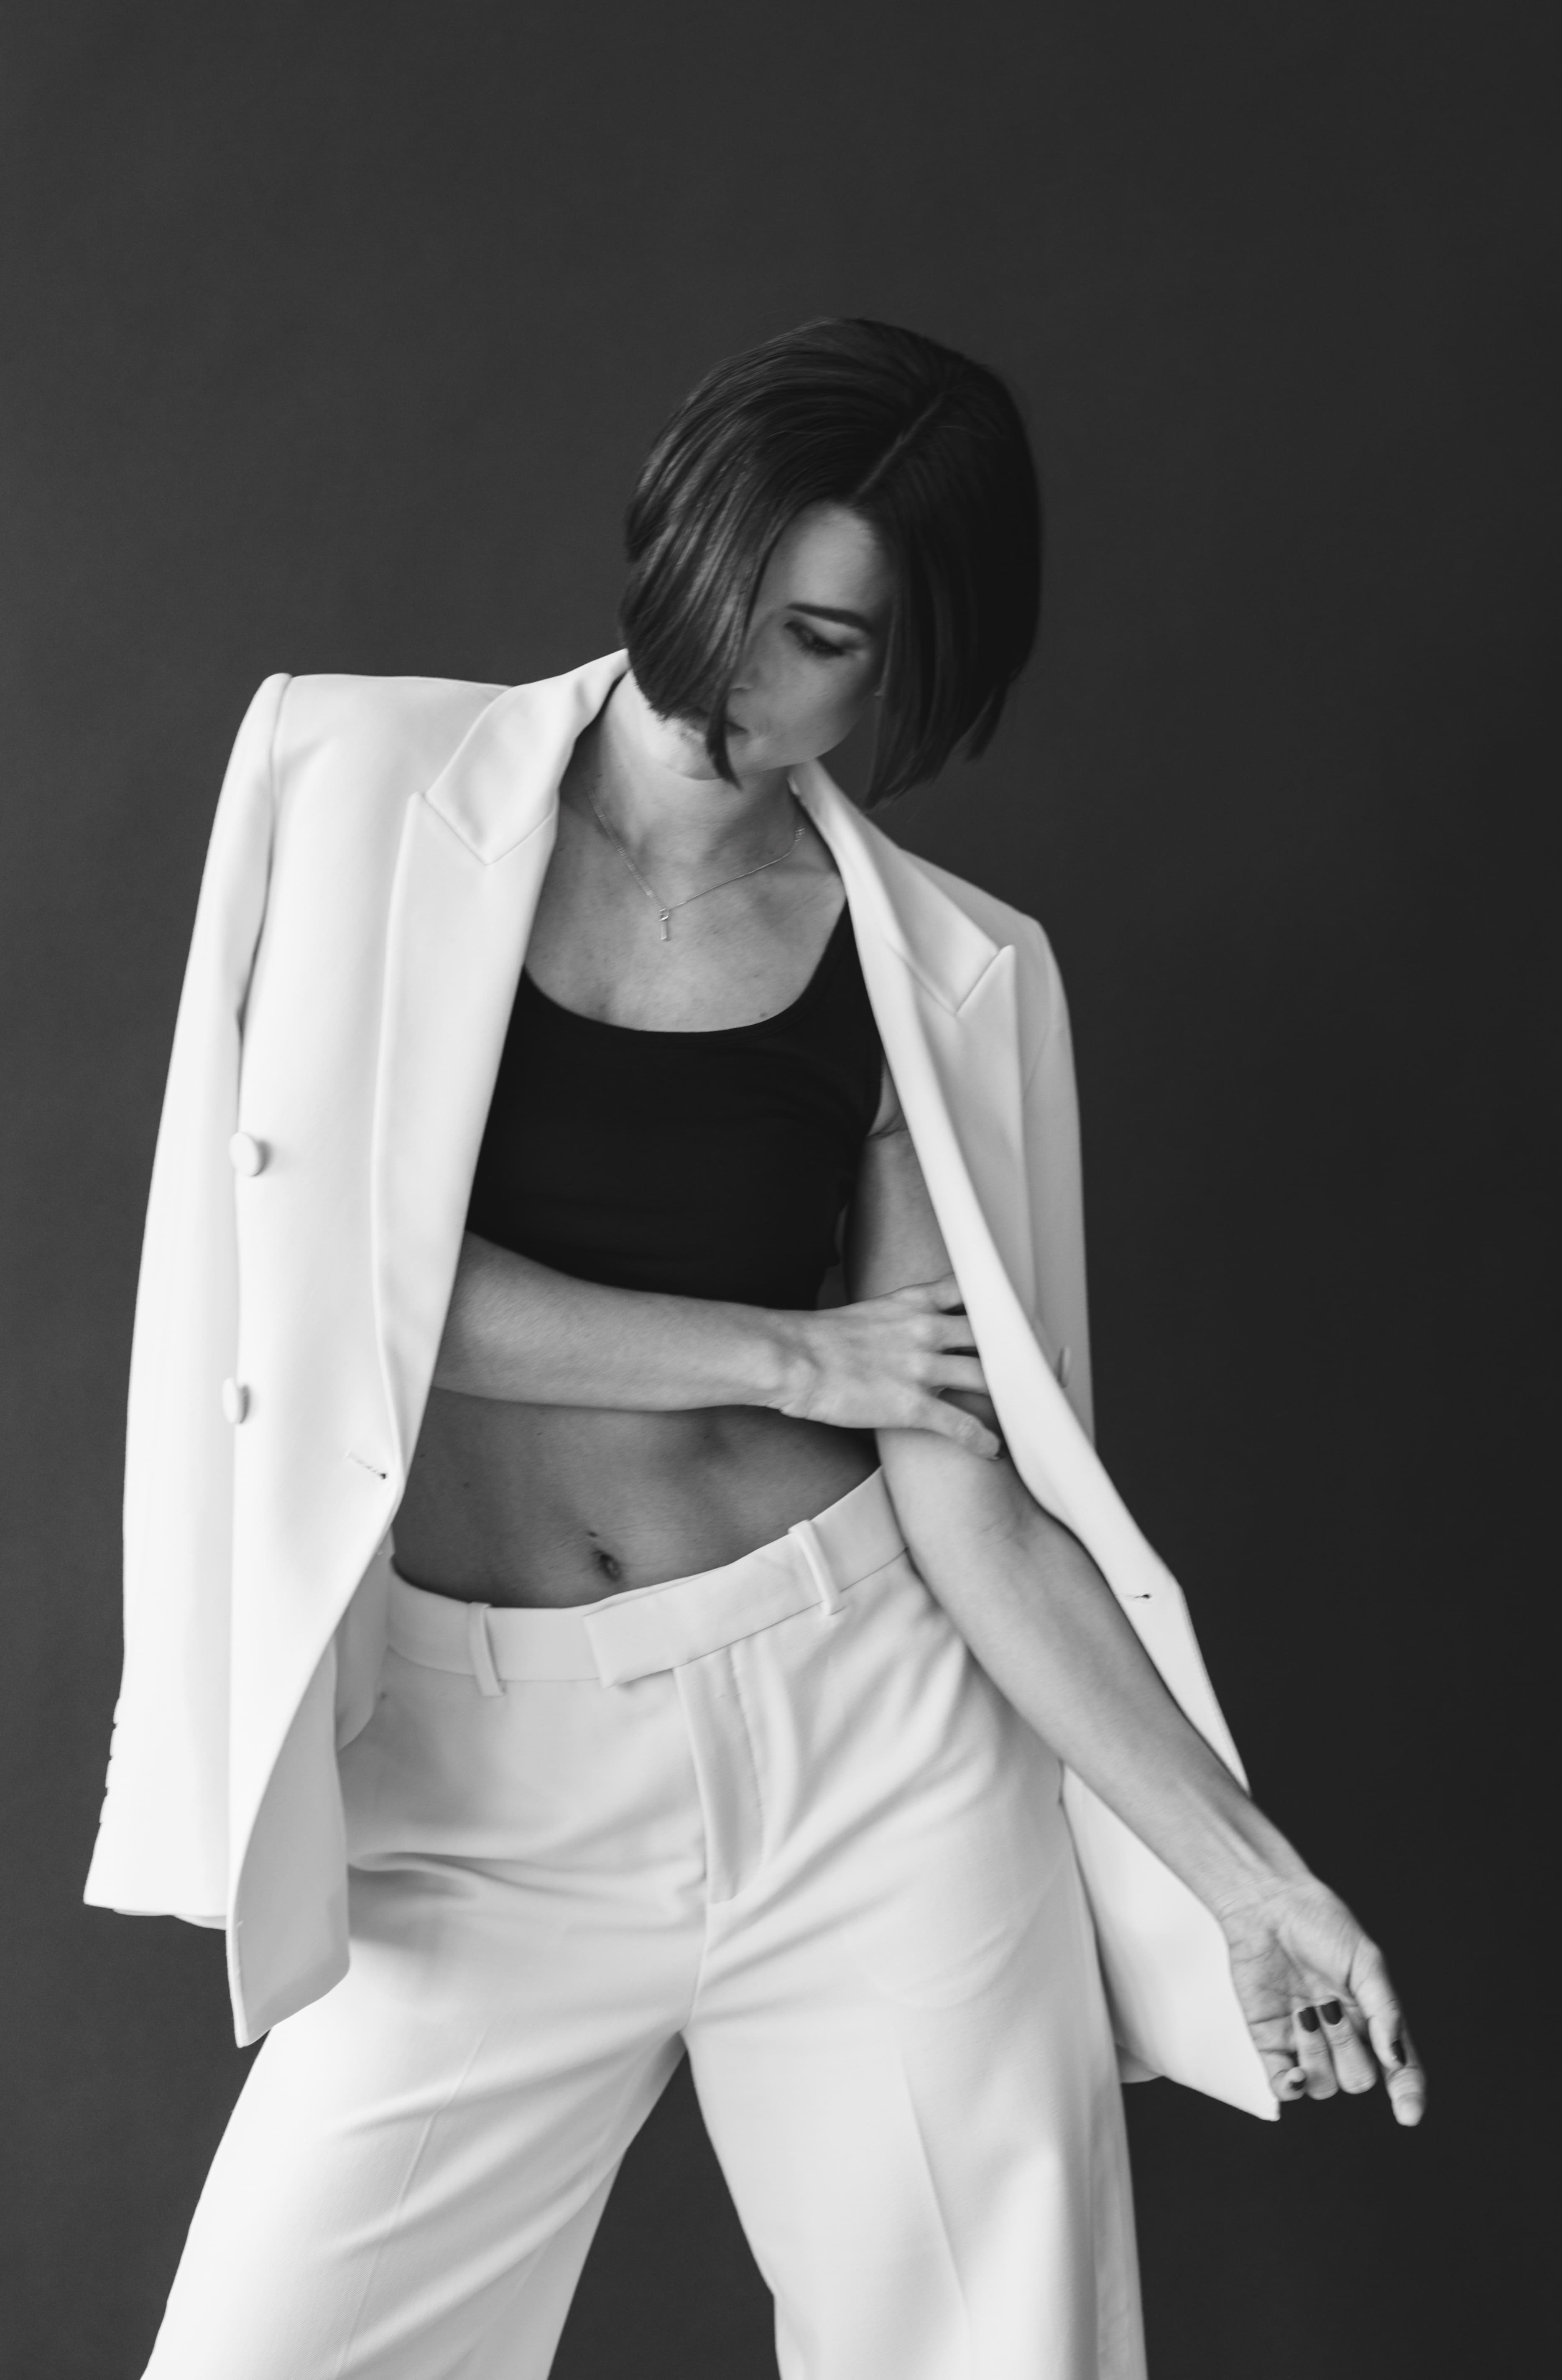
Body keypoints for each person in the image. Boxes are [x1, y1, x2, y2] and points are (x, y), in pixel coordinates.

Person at [87, 317, 1424, 2380]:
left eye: (820, 638)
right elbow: (345, 1303)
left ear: (915, 669)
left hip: (863, 1743)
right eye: (728, 592)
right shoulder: (346, 783)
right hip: (480, 1775)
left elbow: (969, 1495)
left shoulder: (948, 978)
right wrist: (786, 1359)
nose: (736, 672)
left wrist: (1249, 1876)